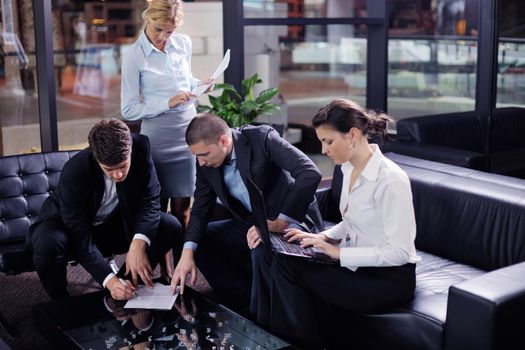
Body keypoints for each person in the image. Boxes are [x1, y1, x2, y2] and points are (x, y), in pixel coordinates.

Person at [269, 99, 421, 349]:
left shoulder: (391, 180)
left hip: (389, 280)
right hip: (360, 268)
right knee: (284, 256)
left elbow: (400, 252)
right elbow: (353, 222)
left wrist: (338, 253)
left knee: (290, 269)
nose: (324, 150)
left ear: (352, 135)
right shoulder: (348, 168)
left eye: (328, 141)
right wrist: (324, 237)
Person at [170, 113, 323, 326]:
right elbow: (200, 210)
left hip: (291, 221)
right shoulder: (205, 162)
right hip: (252, 224)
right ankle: (245, 303)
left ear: (223, 141)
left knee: (261, 247)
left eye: (204, 154)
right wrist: (187, 252)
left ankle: (265, 320)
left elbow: (309, 172)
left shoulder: (261, 138)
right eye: (197, 156)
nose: (201, 162)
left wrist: (279, 222)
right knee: (199, 243)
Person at [29, 118, 182, 300]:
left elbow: (150, 200)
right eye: (109, 169)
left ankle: (125, 286)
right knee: (49, 241)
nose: (118, 174)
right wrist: (109, 280)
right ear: (96, 158)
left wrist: (138, 244)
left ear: (130, 150)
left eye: (123, 166)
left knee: (169, 224)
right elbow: (79, 235)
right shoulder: (75, 171)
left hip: (111, 225)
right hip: (67, 230)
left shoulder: (141, 147)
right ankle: (61, 302)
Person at [120, 0, 213, 240]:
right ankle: (162, 268)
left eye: (169, 31)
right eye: (158, 29)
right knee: (157, 209)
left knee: (183, 209)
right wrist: (166, 103)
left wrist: (198, 84)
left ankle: (183, 263)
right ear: (147, 19)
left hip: (187, 133)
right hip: (158, 137)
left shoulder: (183, 43)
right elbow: (129, 109)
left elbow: (185, 81)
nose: (163, 36)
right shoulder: (133, 56)